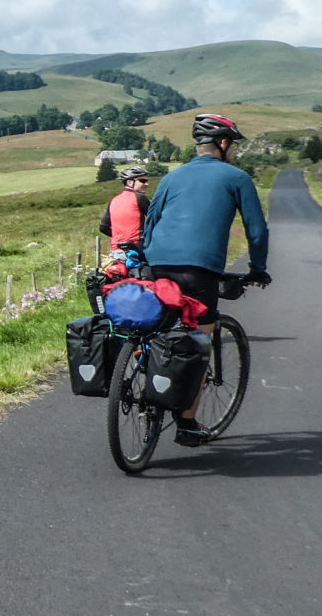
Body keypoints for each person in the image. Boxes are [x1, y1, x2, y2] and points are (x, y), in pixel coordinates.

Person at [141, 114, 271, 442]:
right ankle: (186, 423)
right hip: (199, 269)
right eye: (233, 145)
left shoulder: (172, 177)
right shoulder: (236, 177)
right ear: (224, 143)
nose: (234, 152)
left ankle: (143, 380)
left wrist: (147, 259)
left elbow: (151, 221)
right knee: (201, 338)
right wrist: (257, 268)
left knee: (159, 328)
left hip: (158, 265)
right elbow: (256, 229)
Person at [99, 165, 154, 273]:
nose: (147, 184)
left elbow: (103, 227)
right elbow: (156, 219)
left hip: (116, 252)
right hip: (137, 250)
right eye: (142, 181)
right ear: (130, 182)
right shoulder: (139, 198)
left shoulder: (114, 200)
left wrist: (120, 238)